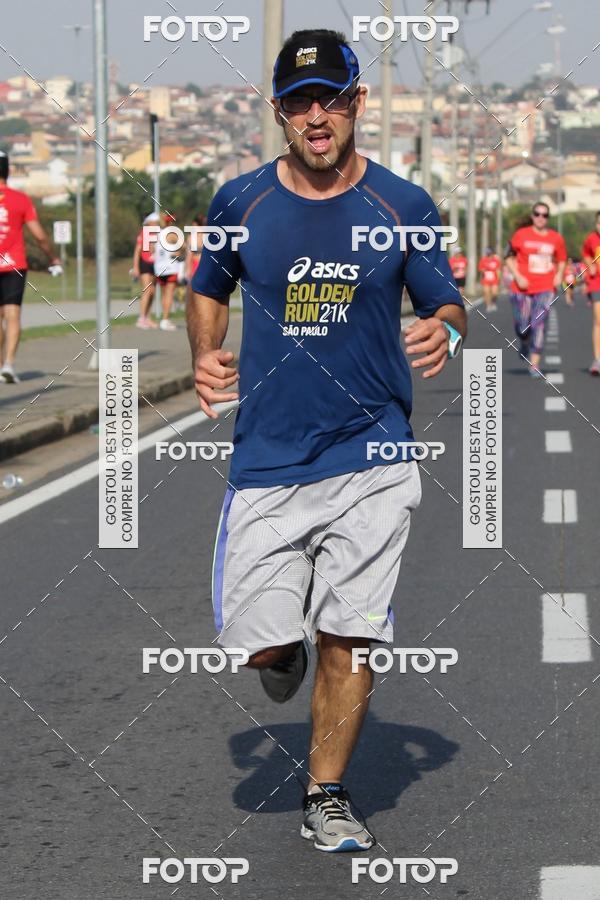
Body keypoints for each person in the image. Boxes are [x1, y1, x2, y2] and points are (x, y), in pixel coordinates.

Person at [188, 29, 466, 853]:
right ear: (279, 112)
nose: (318, 115)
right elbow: (207, 287)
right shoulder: (240, 203)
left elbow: (445, 303)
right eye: (302, 102)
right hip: (269, 457)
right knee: (265, 642)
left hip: (373, 454)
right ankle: (281, 655)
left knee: (352, 632)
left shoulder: (403, 206)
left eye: (333, 99)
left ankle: (327, 794)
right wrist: (203, 355)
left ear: (357, 105)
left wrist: (443, 334)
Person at [0, 150, 62, 383]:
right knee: (12, 314)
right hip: (14, 264)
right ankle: (8, 364)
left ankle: (0, 366)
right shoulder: (20, 199)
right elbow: (39, 236)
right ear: (8, 170)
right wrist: (52, 257)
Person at [505, 201, 566, 377]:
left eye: (545, 215)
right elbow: (508, 257)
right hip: (521, 287)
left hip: (545, 287)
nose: (541, 218)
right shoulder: (520, 235)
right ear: (532, 216)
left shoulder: (556, 238)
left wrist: (559, 274)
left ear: (548, 218)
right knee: (523, 327)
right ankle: (524, 343)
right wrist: (518, 276)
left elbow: (562, 259)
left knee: (538, 323)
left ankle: (535, 364)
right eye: (537, 214)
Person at [153, 214, 181, 331]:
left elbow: (151, 250)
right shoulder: (171, 234)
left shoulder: (156, 235)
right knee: (169, 294)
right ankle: (165, 319)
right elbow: (183, 246)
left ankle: (164, 318)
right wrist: (178, 252)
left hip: (159, 268)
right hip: (170, 267)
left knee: (164, 294)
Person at [132, 212, 159, 329]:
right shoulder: (144, 233)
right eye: (155, 222)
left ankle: (147, 317)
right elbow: (137, 251)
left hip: (154, 264)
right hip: (144, 263)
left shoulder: (157, 234)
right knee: (147, 290)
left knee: (152, 292)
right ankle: (141, 318)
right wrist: (136, 267)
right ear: (149, 222)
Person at [581, 211, 600, 375]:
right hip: (597, 283)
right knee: (599, 320)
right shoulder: (591, 239)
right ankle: (597, 360)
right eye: (599, 223)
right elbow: (586, 253)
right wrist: (590, 264)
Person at [478, 246, 501, 312]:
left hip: (494, 279)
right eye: (488, 252)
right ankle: (488, 305)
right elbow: (480, 269)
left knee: (495, 293)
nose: (489, 254)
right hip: (486, 279)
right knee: (487, 292)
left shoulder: (496, 260)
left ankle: (493, 303)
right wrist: (484, 270)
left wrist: (499, 278)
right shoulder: (483, 260)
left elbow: (498, 270)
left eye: (490, 252)